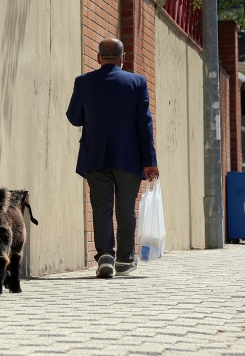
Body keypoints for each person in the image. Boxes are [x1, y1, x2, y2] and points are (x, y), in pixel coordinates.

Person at [66, 38, 159, 279]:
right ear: (122, 58)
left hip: (95, 156)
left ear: (98, 57)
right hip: (129, 158)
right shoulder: (137, 82)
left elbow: (75, 118)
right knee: (126, 208)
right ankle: (125, 260)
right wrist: (150, 160)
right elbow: (144, 123)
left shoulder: (83, 82)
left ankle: (105, 256)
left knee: (101, 207)